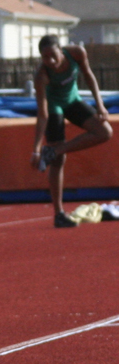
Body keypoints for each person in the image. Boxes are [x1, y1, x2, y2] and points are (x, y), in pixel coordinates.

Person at [32, 35, 113, 228]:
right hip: (54, 108)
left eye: (53, 55)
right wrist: (35, 149)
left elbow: (89, 76)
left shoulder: (76, 53)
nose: (50, 60)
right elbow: (42, 114)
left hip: (73, 101)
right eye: (45, 57)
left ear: (62, 50)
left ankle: (55, 151)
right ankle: (59, 213)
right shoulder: (41, 76)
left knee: (105, 132)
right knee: (59, 161)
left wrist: (100, 105)